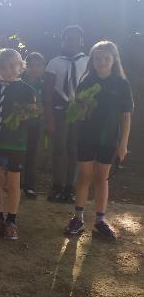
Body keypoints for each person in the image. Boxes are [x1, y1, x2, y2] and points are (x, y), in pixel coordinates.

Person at [64, 41, 133, 240]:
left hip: (109, 139)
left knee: (101, 178)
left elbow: (126, 116)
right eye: (98, 59)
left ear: (114, 60)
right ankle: (78, 218)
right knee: (85, 176)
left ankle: (100, 221)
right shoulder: (86, 83)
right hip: (86, 137)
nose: (102, 62)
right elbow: (76, 112)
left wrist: (123, 143)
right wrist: (78, 109)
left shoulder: (122, 84)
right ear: (92, 61)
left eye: (106, 59)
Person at [0, 49, 37, 240]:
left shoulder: (27, 89)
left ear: (21, 67)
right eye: (4, 67)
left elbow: (33, 113)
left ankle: (11, 220)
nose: (9, 70)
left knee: (14, 183)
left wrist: (27, 114)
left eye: (13, 66)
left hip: (16, 143)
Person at [44, 26, 89, 203]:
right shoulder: (54, 62)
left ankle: (70, 188)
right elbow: (47, 93)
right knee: (59, 149)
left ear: (81, 41)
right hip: (60, 111)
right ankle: (57, 186)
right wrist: (49, 118)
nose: (72, 42)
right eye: (68, 39)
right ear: (63, 42)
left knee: (74, 149)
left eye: (76, 39)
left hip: (79, 112)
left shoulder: (88, 61)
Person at [21, 52, 47, 199]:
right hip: (19, 124)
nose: (34, 69)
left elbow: (46, 104)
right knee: (18, 154)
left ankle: (29, 186)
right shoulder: (19, 82)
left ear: (43, 68)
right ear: (25, 67)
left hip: (35, 124)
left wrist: (39, 109)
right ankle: (15, 182)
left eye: (38, 66)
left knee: (31, 155)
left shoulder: (43, 85)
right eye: (30, 66)